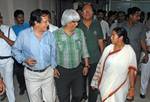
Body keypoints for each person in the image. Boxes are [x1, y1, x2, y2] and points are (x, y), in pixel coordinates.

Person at [12, 9, 57, 102]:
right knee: (35, 100)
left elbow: (53, 51)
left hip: (47, 72)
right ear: (36, 22)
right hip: (32, 75)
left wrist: (54, 67)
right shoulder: (23, 35)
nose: (48, 24)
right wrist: (24, 59)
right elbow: (15, 50)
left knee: (51, 99)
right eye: (45, 22)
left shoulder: (49, 35)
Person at [91, 27, 137, 102]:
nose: (111, 37)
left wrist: (132, 88)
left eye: (113, 35)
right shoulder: (108, 49)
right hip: (106, 83)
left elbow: (132, 70)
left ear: (121, 37)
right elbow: (100, 66)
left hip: (120, 86)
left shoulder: (129, 51)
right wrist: (95, 81)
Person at [54, 9, 90, 102]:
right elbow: (51, 53)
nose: (76, 24)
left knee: (78, 95)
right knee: (63, 97)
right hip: (62, 71)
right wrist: (53, 68)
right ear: (66, 21)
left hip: (77, 69)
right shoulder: (55, 34)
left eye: (77, 22)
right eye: (73, 22)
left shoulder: (79, 32)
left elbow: (84, 49)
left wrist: (86, 65)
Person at [78, 3, 104, 102]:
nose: (87, 12)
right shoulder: (77, 25)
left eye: (89, 10)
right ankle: (83, 96)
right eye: (84, 10)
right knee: (80, 84)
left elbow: (100, 41)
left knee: (93, 84)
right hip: (80, 61)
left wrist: (103, 56)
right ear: (81, 13)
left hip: (95, 59)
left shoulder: (97, 24)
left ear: (93, 13)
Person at [12, 9, 30, 95]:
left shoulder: (28, 25)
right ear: (15, 19)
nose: (21, 19)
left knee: (29, 72)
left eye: (22, 17)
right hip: (18, 55)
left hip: (28, 54)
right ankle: (22, 87)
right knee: (19, 73)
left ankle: (29, 86)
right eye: (19, 17)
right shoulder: (13, 29)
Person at [0, 12, 16, 102]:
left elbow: (14, 44)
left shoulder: (8, 29)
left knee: (9, 84)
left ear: (1, 19)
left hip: (8, 61)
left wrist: (3, 36)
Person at [140, 30, 150, 99]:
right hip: (147, 54)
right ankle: (143, 92)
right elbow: (141, 42)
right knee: (145, 75)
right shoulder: (146, 33)